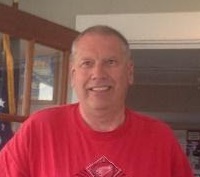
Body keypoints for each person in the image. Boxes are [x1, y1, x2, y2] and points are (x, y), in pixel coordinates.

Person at [0, 25, 194, 177]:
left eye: (110, 62)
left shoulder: (161, 139)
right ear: (73, 75)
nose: (98, 74)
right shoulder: (39, 129)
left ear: (130, 72)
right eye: (87, 63)